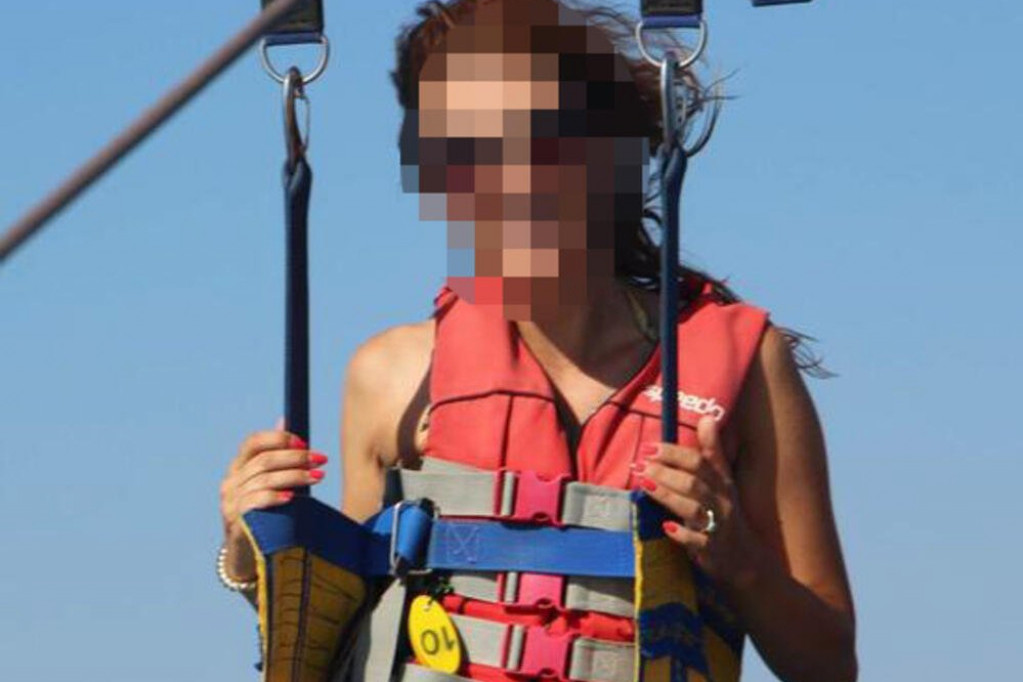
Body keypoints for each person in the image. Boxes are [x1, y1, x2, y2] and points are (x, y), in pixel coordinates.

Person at [218, 1, 857, 681]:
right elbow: (341, 631)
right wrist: (249, 553)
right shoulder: (394, 378)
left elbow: (827, 664)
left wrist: (739, 559)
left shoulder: (746, 365)